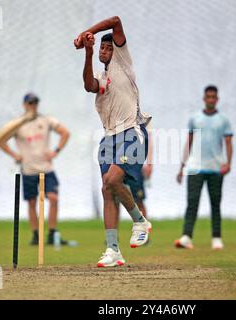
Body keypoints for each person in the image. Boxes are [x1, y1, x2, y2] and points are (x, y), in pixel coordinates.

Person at [75, 16, 152, 267]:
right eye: (102, 48)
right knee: (107, 189)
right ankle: (113, 250)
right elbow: (89, 85)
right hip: (109, 137)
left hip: (131, 131)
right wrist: (87, 52)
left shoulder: (122, 61)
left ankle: (140, 221)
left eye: (108, 47)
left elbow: (117, 21)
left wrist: (88, 30)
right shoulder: (100, 74)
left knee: (112, 180)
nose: (105, 51)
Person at [1, 93, 71, 246]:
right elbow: (1, 140)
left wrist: (55, 151)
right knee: (32, 202)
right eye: (30, 103)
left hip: (46, 169)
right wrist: (15, 155)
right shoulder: (17, 124)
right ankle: (35, 234)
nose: (33, 106)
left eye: (35, 103)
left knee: (53, 198)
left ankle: (52, 233)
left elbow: (65, 133)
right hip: (28, 169)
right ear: (24, 105)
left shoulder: (45, 120)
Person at [175, 85, 233, 250]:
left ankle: (216, 238)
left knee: (215, 203)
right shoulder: (195, 118)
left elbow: (228, 142)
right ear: (204, 99)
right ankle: (186, 237)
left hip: (216, 168)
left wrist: (228, 163)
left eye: (213, 97)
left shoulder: (223, 120)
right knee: (192, 203)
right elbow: (189, 143)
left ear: (217, 99)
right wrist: (182, 167)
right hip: (195, 167)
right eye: (208, 97)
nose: (211, 100)